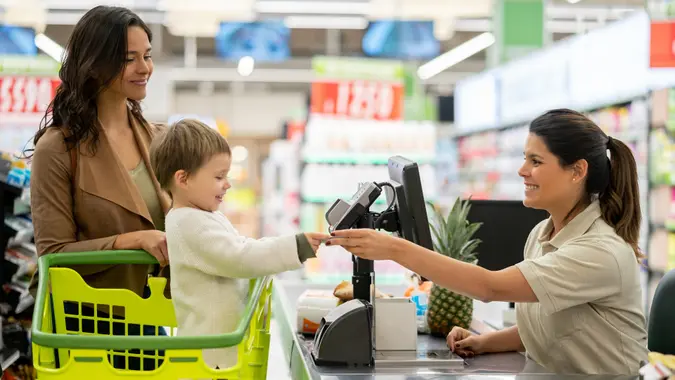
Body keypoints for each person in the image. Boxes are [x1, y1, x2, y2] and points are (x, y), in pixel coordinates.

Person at [327, 108, 648, 375]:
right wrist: (486, 342)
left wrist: (393, 249)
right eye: (524, 159)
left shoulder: (599, 251)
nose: (522, 170)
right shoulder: (543, 234)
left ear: (577, 171)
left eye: (536, 162)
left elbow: (490, 287)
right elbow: (555, 325)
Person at [26, 5, 169, 370]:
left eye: (147, 56)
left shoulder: (157, 139)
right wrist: (129, 240)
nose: (145, 68)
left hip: (148, 325)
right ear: (94, 64)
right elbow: (53, 254)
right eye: (129, 59)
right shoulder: (58, 149)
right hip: (82, 332)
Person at [149, 119, 330, 370]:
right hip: (208, 361)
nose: (228, 183)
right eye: (219, 176)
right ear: (183, 179)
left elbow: (239, 246)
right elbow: (239, 256)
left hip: (216, 355)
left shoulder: (202, 215)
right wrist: (296, 246)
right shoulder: (188, 222)